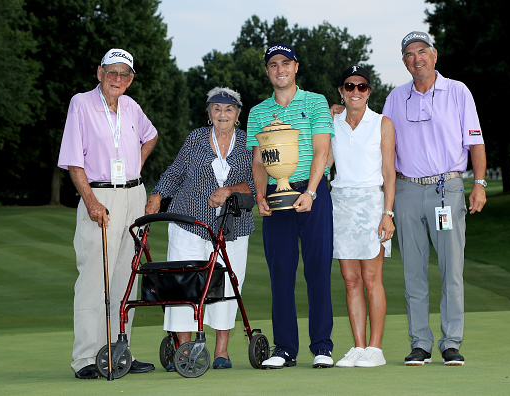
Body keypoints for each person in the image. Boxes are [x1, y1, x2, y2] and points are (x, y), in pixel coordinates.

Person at [383, 31, 487, 366]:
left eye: (422, 51)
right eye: (410, 54)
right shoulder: (395, 98)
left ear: (434, 55)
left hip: (448, 188)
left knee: (450, 269)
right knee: (413, 272)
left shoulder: (457, 91)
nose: (417, 58)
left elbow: (476, 143)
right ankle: (420, 343)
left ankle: (451, 341)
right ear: (404, 62)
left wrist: (480, 183)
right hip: (408, 191)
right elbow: (381, 140)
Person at [58, 48, 158, 379]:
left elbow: (151, 135)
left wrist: (134, 168)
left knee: (124, 279)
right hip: (99, 195)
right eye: (112, 72)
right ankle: (87, 357)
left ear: (130, 80)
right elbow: (74, 160)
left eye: (124, 74)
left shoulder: (130, 106)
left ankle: (119, 354)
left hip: (133, 194)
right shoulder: (81, 103)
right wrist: (90, 200)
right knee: (93, 278)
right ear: (99, 72)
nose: (118, 79)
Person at [145, 87, 255, 370]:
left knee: (228, 285)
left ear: (238, 115)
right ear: (209, 114)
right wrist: (157, 194)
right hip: (188, 223)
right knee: (183, 284)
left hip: (232, 227)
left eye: (228, 109)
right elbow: (175, 171)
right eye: (216, 109)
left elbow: (256, 186)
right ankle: (183, 350)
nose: (222, 114)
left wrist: (229, 190)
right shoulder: (195, 138)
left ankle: (221, 351)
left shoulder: (247, 143)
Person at [246, 43, 335, 369]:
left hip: (312, 194)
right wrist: (259, 196)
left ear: (296, 67)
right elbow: (257, 161)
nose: (279, 69)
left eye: (285, 63)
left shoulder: (315, 102)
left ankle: (322, 346)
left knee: (317, 270)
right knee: (281, 271)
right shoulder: (257, 112)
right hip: (275, 194)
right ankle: (284, 348)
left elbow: (321, 150)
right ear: (268, 71)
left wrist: (310, 191)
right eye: (273, 65)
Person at [328, 65, 396, 368]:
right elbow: (326, 161)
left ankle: (375, 348)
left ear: (369, 91)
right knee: (350, 280)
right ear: (342, 91)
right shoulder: (332, 121)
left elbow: (389, 173)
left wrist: (387, 213)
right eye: (349, 86)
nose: (356, 91)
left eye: (362, 86)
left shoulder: (383, 123)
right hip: (340, 203)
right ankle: (358, 347)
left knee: (371, 279)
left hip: (372, 203)